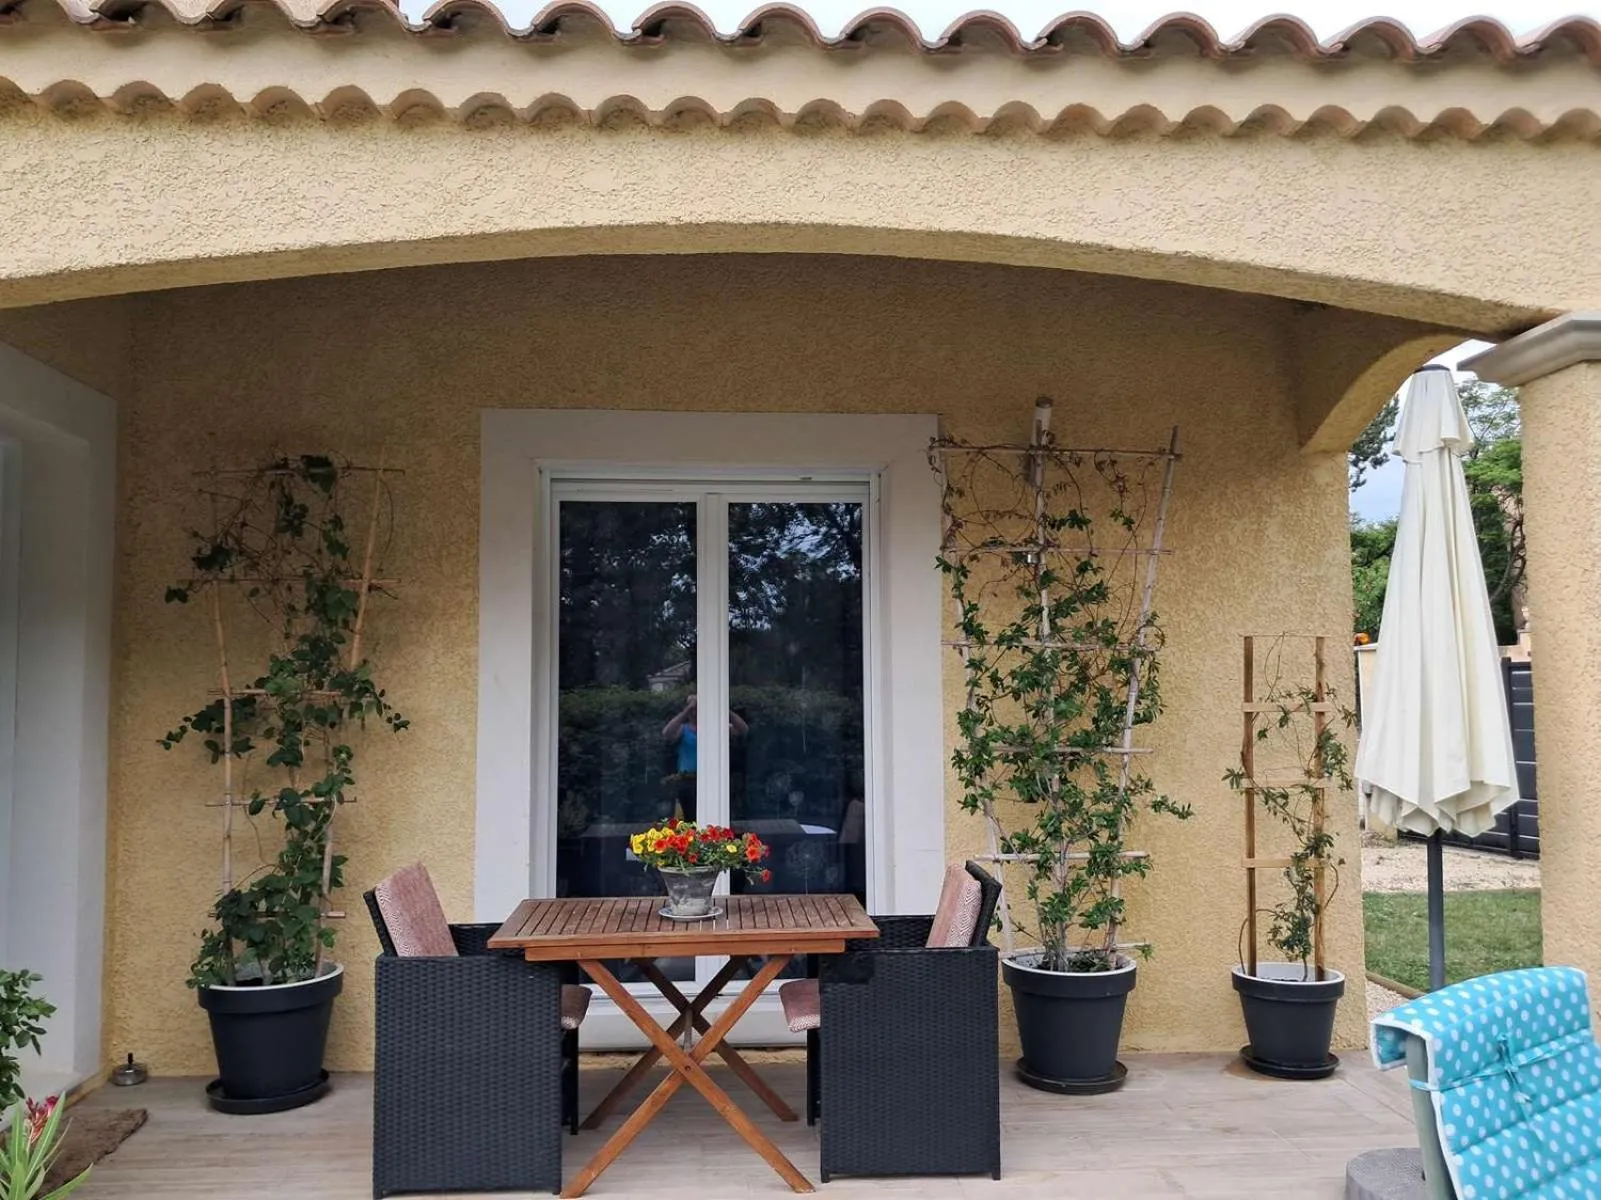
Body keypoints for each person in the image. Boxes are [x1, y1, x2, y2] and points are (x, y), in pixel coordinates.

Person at [661, 694, 748, 822]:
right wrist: (686, 711)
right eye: (693, 709)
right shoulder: (683, 730)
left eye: (698, 708)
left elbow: (743, 729)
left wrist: (724, 710)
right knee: (688, 821)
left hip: (712, 780)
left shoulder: (715, 728)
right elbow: (667, 733)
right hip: (687, 780)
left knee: (713, 819)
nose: (695, 712)